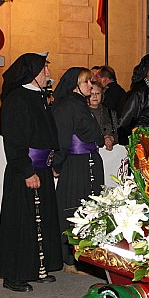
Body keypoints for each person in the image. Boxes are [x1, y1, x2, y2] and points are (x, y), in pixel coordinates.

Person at [0, 52, 63, 292]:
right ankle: (14, 274)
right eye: (44, 69)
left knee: (40, 221)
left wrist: (51, 161)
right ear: (32, 72)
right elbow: (13, 141)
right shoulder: (17, 100)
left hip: (41, 169)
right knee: (22, 222)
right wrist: (26, 171)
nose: (48, 73)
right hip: (24, 170)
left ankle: (37, 268)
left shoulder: (40, 97)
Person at [52, 67, 105, 273]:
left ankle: (86, 255)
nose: (91, 87)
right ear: (75, 85)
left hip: (89, 161)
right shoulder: (67, 107)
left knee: (90, 208)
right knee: (73, 207)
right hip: (76, 164)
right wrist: (57, 164)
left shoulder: (80, 105)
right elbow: (63, 139)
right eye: (86, 83)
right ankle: (70, 259)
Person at [88, 81, 117, 149]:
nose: (95, 96)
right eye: (92, 94)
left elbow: (118, 133)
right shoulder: (81, 112)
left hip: (107, 153)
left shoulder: (110, 112)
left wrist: (112, 138)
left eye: (98, 93)